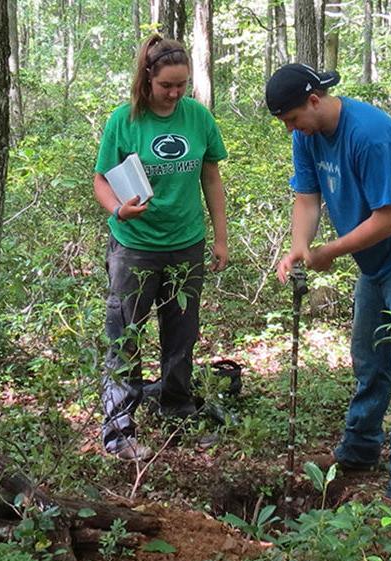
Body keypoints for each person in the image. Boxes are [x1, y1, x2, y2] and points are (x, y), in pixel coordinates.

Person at [266, 64, 391, 508]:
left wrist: (329, 251)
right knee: (369, 357)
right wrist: (300, 248)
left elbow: (390, 219)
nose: (291, 129)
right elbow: (307, 197)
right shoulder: (307, 136)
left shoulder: (368, 134)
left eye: (293, 119)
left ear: (314, 101)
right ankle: (360, 449)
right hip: (376, 261)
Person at [93, 34, 229, 461]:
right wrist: (118, 210)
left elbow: (211, 178)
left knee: (181, 334)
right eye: (167, 85)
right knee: (125, 334)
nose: (174, 93)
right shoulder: (125, 120)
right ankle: (119, 428)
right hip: (135, 246)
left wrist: (221, 237)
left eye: (182, 85)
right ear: (148, 77)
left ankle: (177, 410)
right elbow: (101, 178)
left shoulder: (198, 118)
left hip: (186, 244)